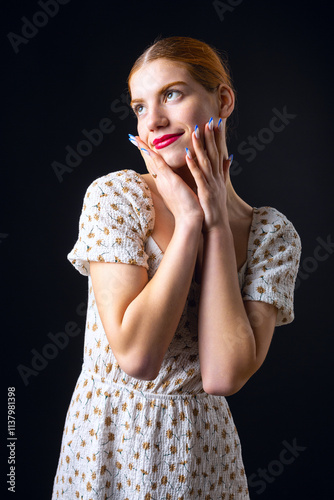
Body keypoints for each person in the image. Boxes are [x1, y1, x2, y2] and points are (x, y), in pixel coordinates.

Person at [52, 36, 301, 499]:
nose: (154, 121)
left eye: (172, 94)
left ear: (222, 99)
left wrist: (217, 229)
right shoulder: (116, 198)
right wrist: (188, 223)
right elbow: (137, 358)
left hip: (204, 456)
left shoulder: (272, 235)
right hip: (108, 443)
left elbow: (223, 376)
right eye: (140, 107)